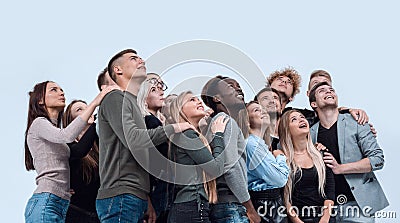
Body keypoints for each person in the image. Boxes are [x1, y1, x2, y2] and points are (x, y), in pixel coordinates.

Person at [96, 49, 193, 223]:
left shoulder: (130, 102)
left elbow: (140, 157)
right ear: (118, 70)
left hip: (135, 195)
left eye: (140, 57)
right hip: (121, 195)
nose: (141, 60)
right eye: (134, 58)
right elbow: (134, 139)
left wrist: (146, 198)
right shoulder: (115, 98)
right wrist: (174, 128)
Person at [24, 81, 115, 223]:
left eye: (61, 90)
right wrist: (97, 101)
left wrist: (66, 188)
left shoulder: (55, 134)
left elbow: (77, 153)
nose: (61, 92)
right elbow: (66, 135)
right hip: (46, 201)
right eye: (54, 90)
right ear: (40, 100)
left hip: (61, 204)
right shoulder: (39, 123)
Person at [309, 82, 389, 222]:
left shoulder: (357, 122)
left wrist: (340, 168)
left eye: (331, 90)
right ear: (314, 104)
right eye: (322, 91)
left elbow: (378, 159)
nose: (329, 92)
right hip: (325, 211)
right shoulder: (309, 134)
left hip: (358, 206)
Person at [201, 76, 261, 223]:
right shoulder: (225, 121)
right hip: (231, 205)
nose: (238, 88)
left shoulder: (217, 122)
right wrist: (250, 208)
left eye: (238, 85)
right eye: (230, 86)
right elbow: (230, 167)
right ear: (216, 98)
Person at [167, 91, 228, 223]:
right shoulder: (187, 135)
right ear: (180, 110)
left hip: (189, 206)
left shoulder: (188, 135)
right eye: (191, 100)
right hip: (191, 207)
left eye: (198, 99)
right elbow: (216, 168)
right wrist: (218, 135)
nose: (199, 101)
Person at [278, 109, 335, 223]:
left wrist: (325, 218)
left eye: (302, 117)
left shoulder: (321, 154)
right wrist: (297, 221)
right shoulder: (282, 160)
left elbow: (330, 190)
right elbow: (285, 198)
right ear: (287, 130)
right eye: (294, 119)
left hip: (325, 218)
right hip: (298, 219)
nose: (301, 120)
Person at [245, 100, 289, 223]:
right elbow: (279, 179)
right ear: (247, 121)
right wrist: (280, 157)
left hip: (271, 202)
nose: (263, 111)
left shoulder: (260, 144)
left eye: (263, 109)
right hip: (265, 204)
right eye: (256, 110)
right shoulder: (252, 144)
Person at [137, 74, 172, 222]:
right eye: (153, 90)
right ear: (144, 98)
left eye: (161, 89)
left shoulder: (155, 122)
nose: (161, 92)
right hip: (157, 191)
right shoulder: (149, 122)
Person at [63, 100, 100, 223]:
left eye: (88, 107)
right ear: (72, 121)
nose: (88, 111)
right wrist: (98, 121)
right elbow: (79, 151)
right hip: (76, 215)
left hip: (100, 215)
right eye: (80, 109)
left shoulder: (100, 146)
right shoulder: (67, 146)